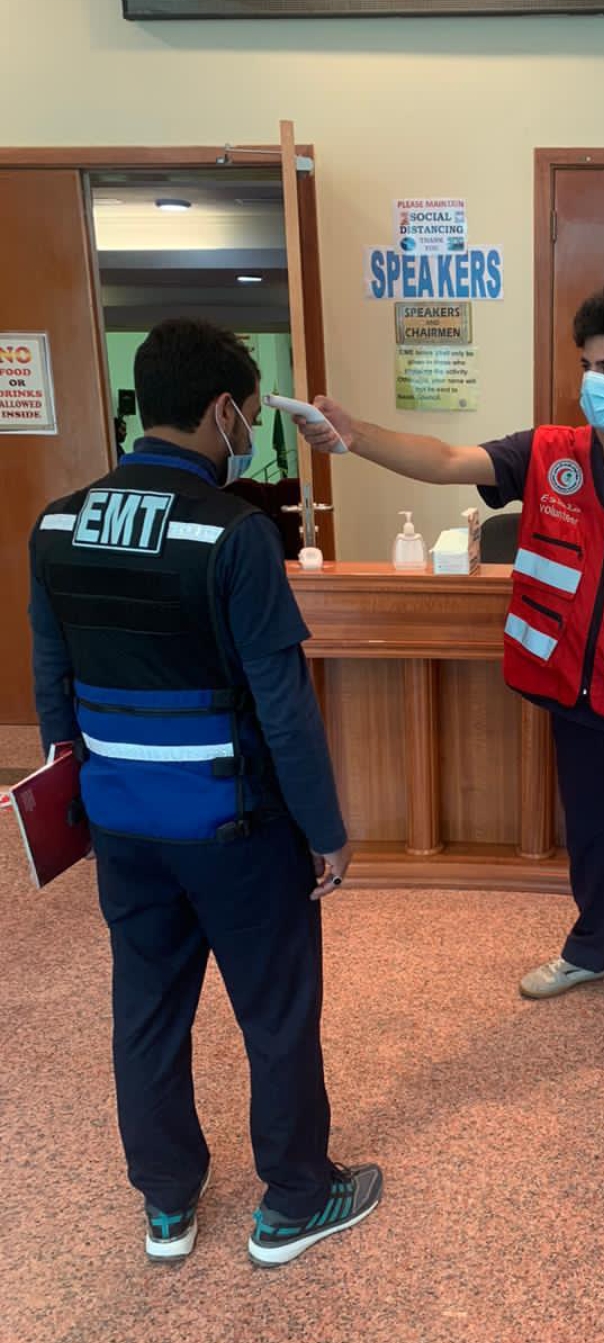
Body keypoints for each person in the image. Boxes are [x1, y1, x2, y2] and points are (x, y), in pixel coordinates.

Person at [298, 284, 604, 1063]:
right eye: (587, 364)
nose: (593, 382)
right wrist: (356, 437)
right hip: (574, 697)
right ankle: (590, 950)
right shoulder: (550, 453)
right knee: (586, 837)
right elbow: (448, 460)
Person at [28, 319, 382, 1267]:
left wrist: (81, 803)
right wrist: (326, 829)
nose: (251, 432)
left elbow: (53, 685)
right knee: (276, 1012)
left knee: (146, 1009)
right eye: (252, 414)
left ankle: (167, 1203)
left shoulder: (56, 524)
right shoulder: (232, 532)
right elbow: (283, 705)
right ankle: (296, 1198)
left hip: (122, 821)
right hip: (236, 826)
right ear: (224, 410)